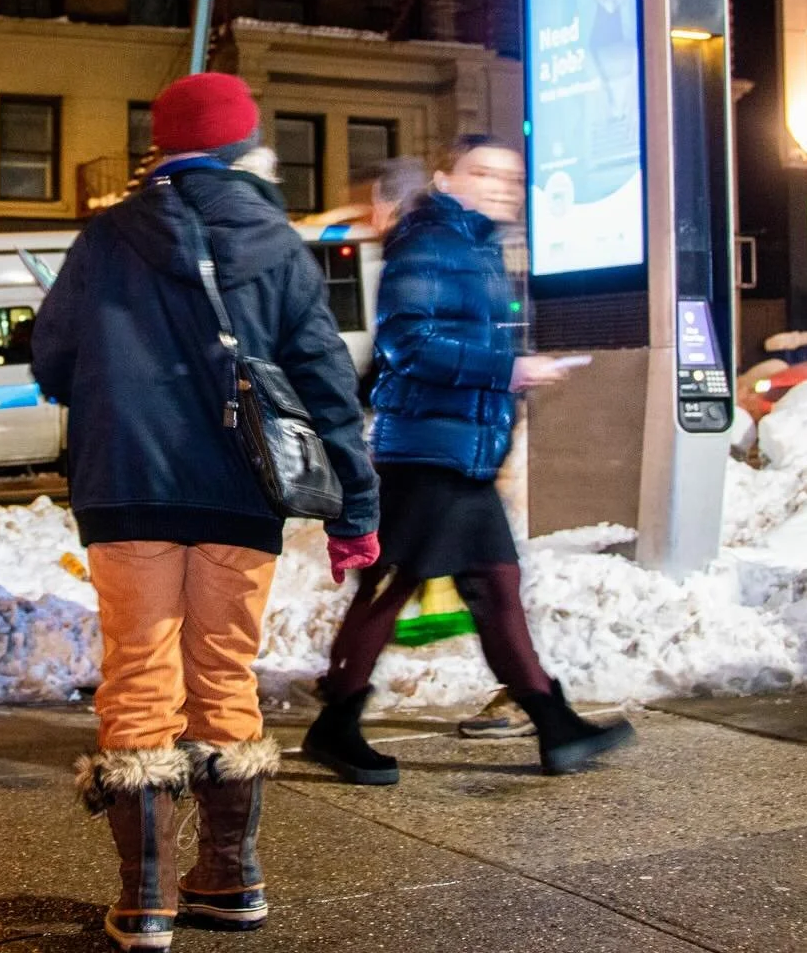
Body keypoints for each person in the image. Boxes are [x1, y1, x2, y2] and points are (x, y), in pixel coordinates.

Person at [31, 72, 380, 952]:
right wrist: (355, 511)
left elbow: (51, 357)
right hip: (241, 491)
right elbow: (327, 384)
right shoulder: (279, 243)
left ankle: (147, 903)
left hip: (128, 486)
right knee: (225, 672)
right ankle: (232, 877)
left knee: (140, 676)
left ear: (162, 144)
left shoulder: (106, 236)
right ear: (241, 145)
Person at [301, 135, 636, 785]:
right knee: (407, 584)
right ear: (445, 178)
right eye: (483, 172)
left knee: (487, 586)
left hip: (457, 449)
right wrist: (508, 369)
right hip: (429, 451)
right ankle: (339, 723)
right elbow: (407, 341)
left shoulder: (476, 246)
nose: (500, 187)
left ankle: (550, 721)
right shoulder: (432, 241)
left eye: (511, 178)